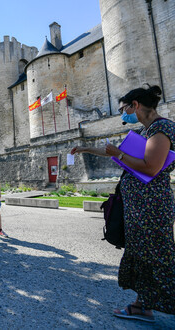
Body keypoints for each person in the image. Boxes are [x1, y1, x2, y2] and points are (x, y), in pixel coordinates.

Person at [71, 85, 175, 322]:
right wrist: (86, 148)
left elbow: (151, 166)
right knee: (142, 254)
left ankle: (145, 306)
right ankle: (142, 307)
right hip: (141, 206)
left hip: (152, 206)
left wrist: (118, 154)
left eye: (124, 109)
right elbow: (112, 152)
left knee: (156, 256)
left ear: (135, 105)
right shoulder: (146, 130)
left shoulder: (161, 129)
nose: (122, 114)